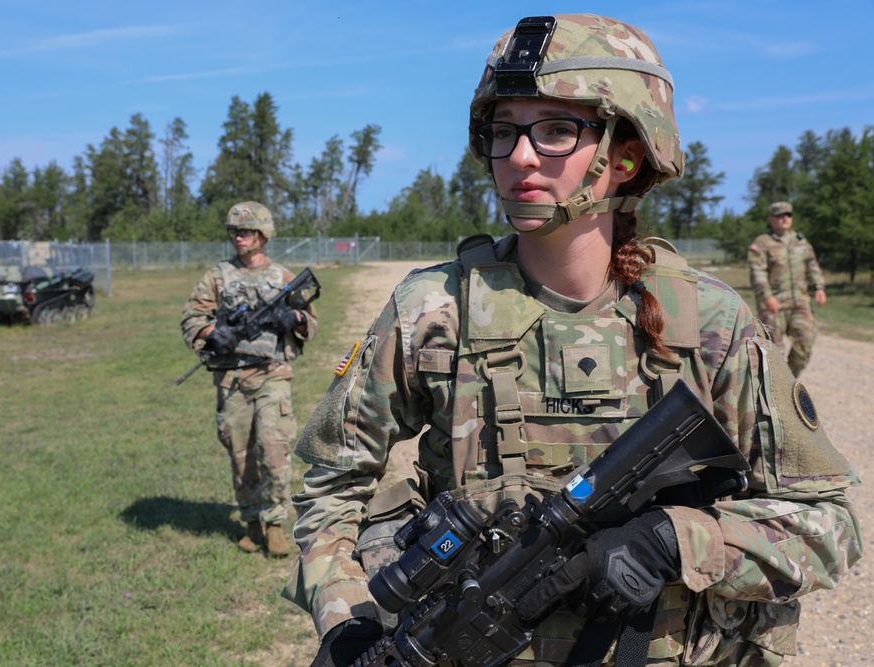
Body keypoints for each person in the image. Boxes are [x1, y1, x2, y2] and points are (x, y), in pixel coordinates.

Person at [282, 14, 862, 667]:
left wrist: (679, 539)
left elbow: (830, 529)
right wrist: (344, 617)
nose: (521, 156)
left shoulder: (710, 322)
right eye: (505, 132)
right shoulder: (431, 311)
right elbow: (330, 483)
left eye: (556, 129)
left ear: (625, 156)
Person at [180, 201, 317, 557]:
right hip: (232, 379)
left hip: (273, 375)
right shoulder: (218, 276)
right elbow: (191, 316)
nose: (237, 238)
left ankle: (274, 524)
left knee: (274, 450)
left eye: (244, 231)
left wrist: (296, 318)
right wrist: (213, 332)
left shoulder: (284, 278)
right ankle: (252, 523)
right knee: (241, 457)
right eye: (233, 232)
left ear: (263, 234)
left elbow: (311, 320)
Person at [748, 202, 827, 377]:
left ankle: (788, 381)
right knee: (774, 351)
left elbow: (812, 266)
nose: (785, 218)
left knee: (805, 342)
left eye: (788, 215)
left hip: (800, 303)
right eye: (780, 215)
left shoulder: (800, 242)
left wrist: (819, 287)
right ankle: (771, 390)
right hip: (773, 305)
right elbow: (757, 272)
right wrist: (767, 296)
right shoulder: (762, 243)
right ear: (771, 218)